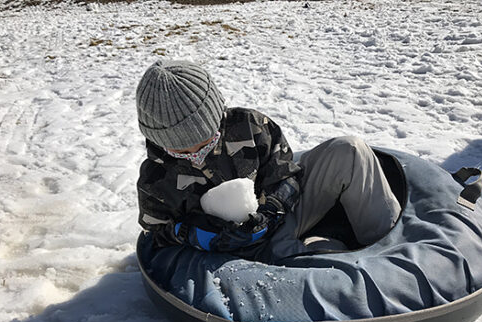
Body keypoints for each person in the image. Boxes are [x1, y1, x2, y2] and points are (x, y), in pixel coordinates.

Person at [136, 60, 401, 262]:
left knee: (349, 150)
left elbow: (285, 171)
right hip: (244, 256)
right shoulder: (155, 180)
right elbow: (156, 235)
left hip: (281, 218)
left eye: (208, 138)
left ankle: (391, 249)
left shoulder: (250, 126)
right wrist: (197, 234)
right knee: (329, 262)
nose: (197, 150)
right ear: (159, 140)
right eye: (181, 148)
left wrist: (271, 209)